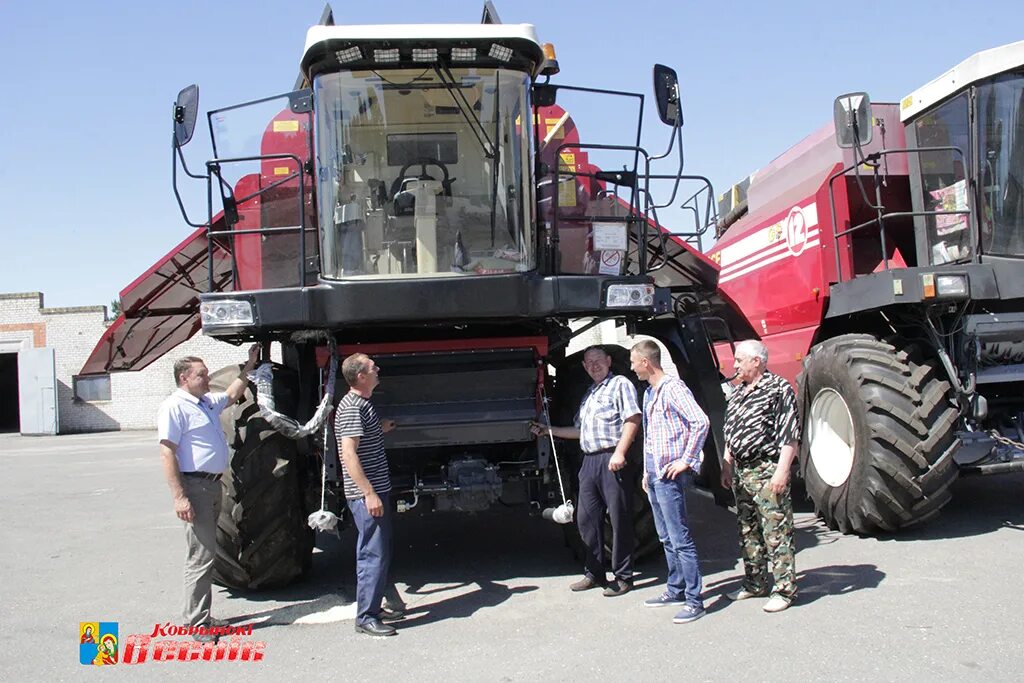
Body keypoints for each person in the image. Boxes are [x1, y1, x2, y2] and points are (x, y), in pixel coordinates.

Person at [157, 344, 259, 643]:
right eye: (200, 375)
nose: (206, 378)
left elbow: (230, 395)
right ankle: (196, 623)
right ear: (183, 379)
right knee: (201, 555)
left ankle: (201, 616)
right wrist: (179, 497)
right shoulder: (174, 407)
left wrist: (249, 365)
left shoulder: (204, 402)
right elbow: (167, 454)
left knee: (207, 552)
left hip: (212, 484)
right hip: (196, 487)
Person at [532, 345, 642, 597]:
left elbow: (632, 419)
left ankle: (623, 576)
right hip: (589, 461)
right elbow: (579, 431)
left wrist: (620, 452)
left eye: (598, 361)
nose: (594, 366)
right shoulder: (590, 394)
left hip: (611, 458)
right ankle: (594, 572)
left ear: (609, 361)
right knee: (586, 519)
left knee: (619, 518)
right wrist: (549, 430)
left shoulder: (620, 384)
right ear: (584, 367)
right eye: (589, 362)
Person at [629, 340, 710, 624]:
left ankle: (694, 599)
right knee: (665, 537)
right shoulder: (649, 393)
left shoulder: (673, 389)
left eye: (633, 361)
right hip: (655, 475)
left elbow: (700, 421)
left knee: (680, 538)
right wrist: (645, 473)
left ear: (646, 363)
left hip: (671, 475)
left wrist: (687, 460)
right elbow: (649, 437)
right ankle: (674, 589)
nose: (631, 366)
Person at [720, 339, 800, 613]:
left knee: (776, 531)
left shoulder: (778, 389)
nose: (735, 365)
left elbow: (790, 434)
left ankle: (784, 589)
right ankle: (755, 583)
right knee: (748, 530)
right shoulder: (738, 392)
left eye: (740, 360)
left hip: (767, 468)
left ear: (757, 361)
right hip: (742, 472)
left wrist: (782, 470)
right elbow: (730, 431)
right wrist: (727, 464)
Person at [335, 353, 398, 637]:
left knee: (378, 551)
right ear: (361, 376)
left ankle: (372, 607)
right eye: (373, 368)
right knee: (372, 553)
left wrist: (379, 429)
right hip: (367, 495)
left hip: (375, 490)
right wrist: (369, 493)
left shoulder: (362, 405)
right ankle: (367, 617)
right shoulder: (351, 407)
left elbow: (361, 441)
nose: (378, 369)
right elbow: (348, 454)